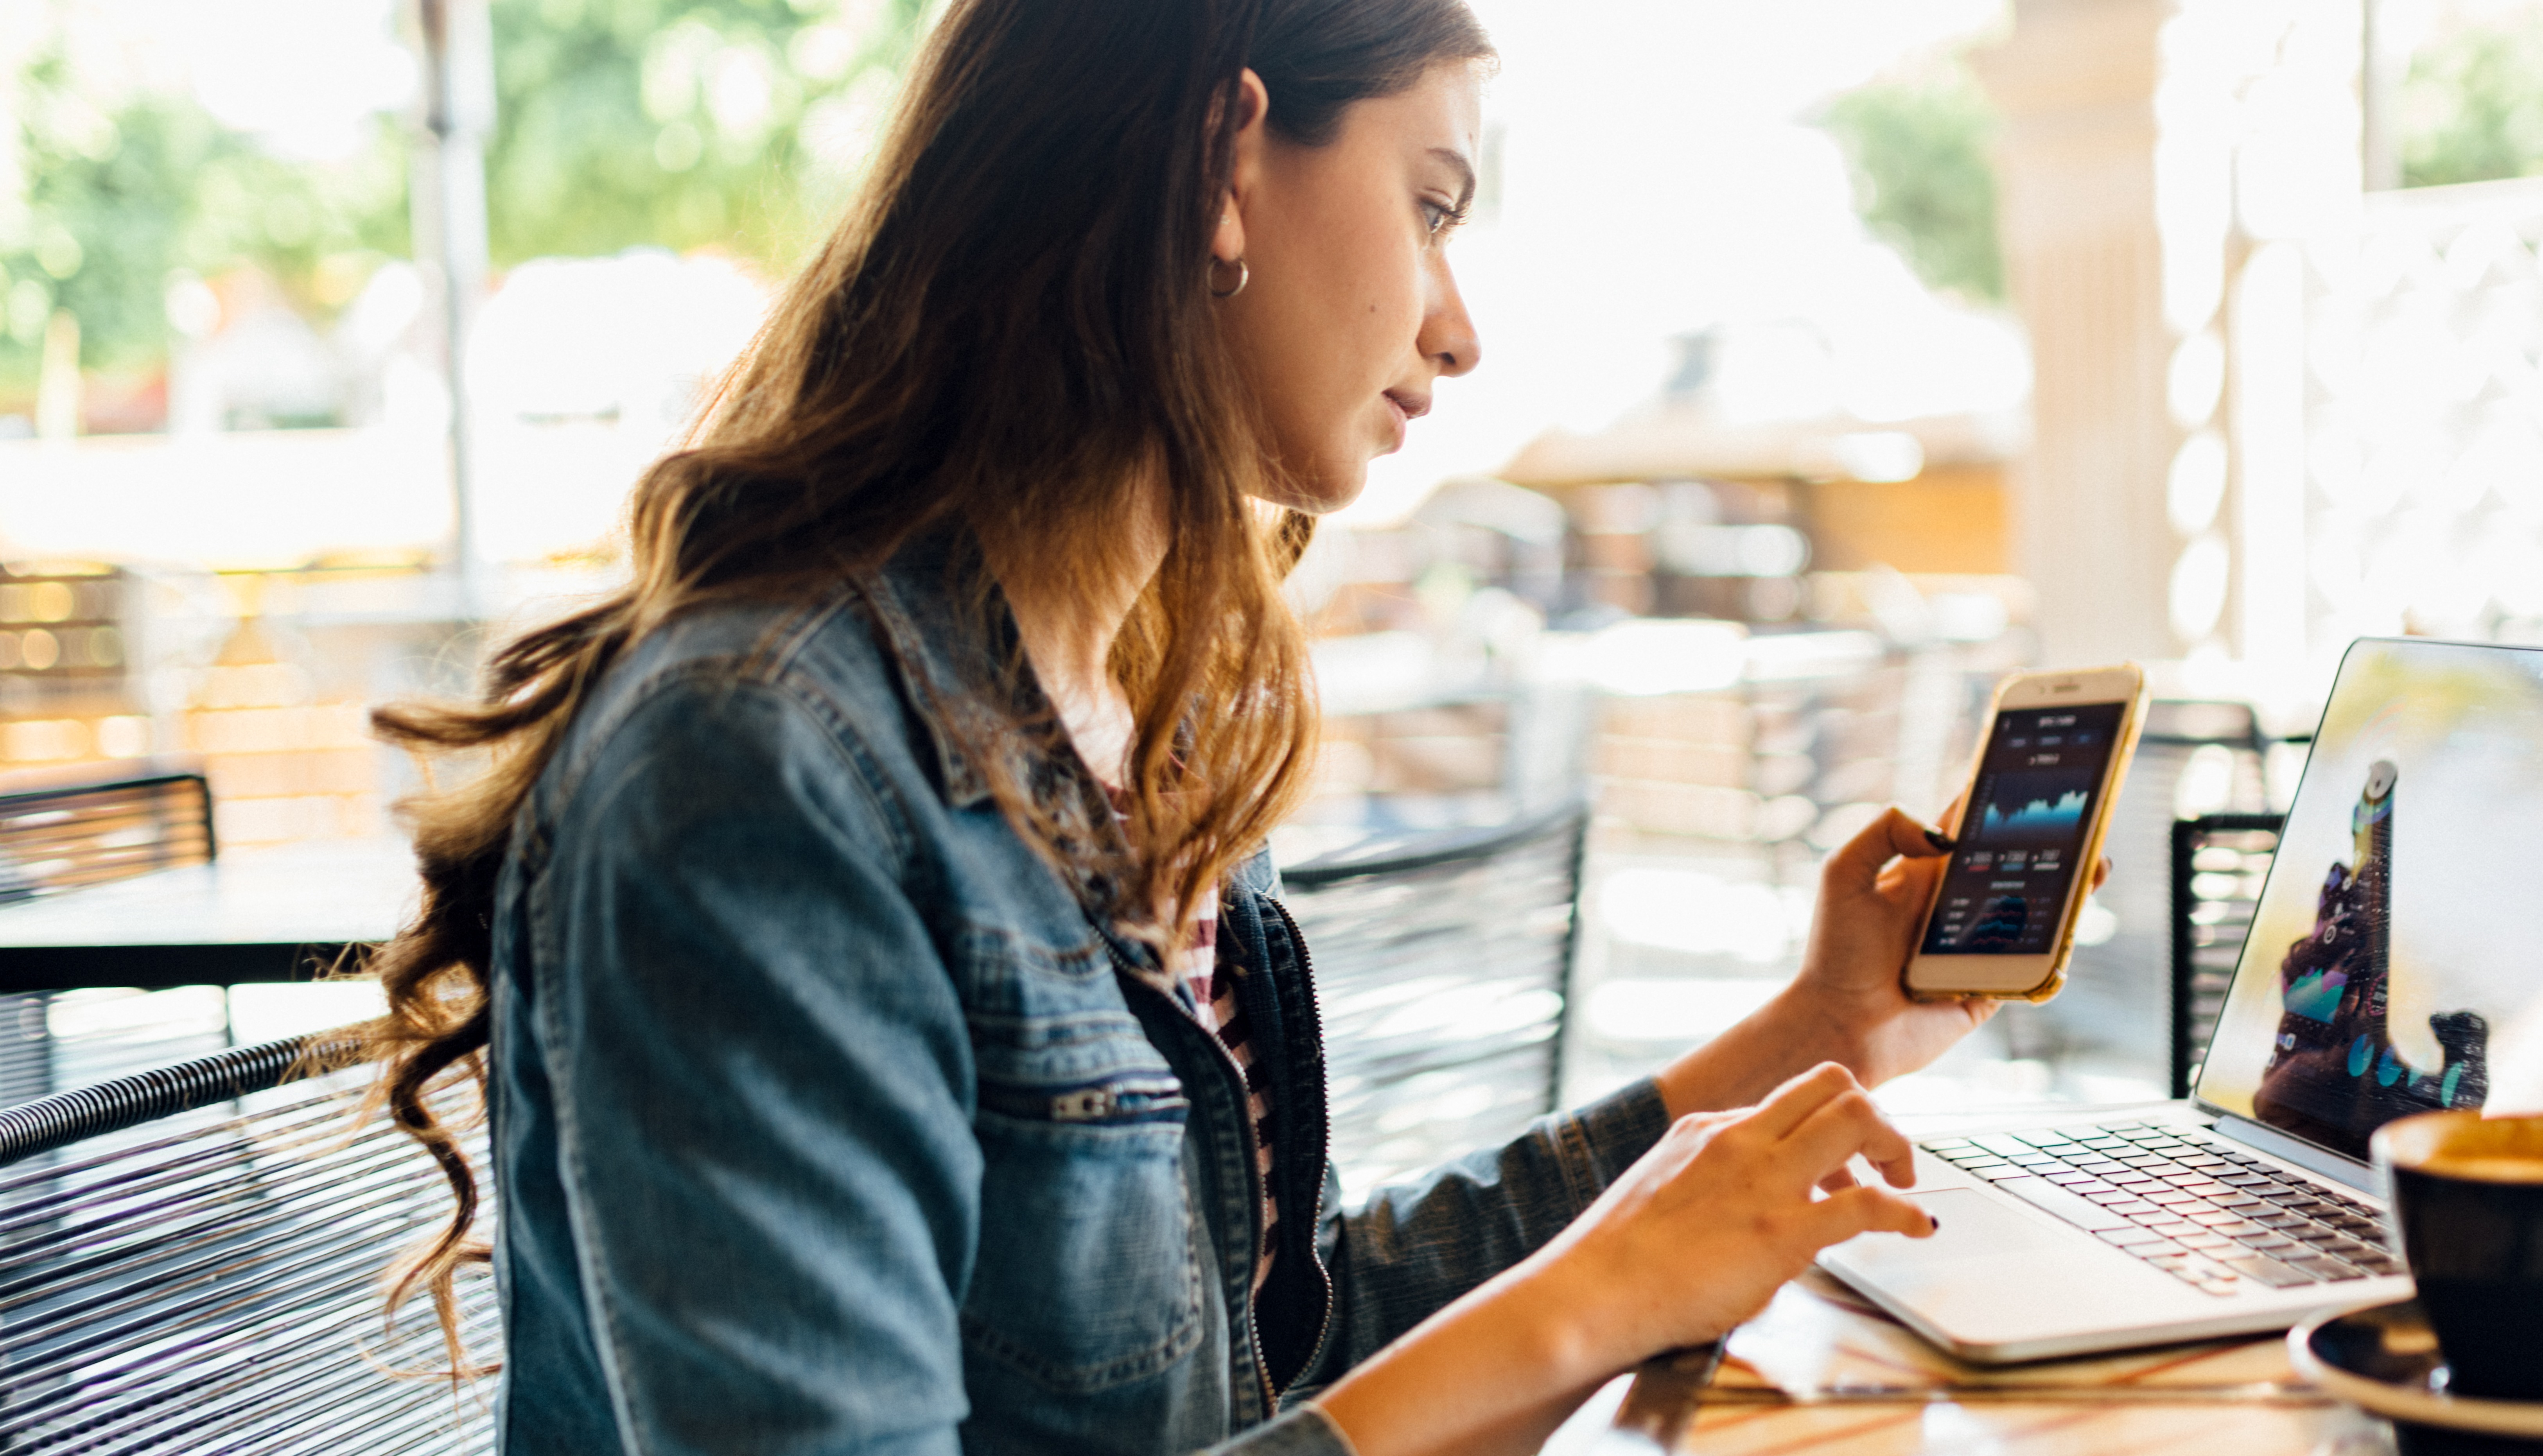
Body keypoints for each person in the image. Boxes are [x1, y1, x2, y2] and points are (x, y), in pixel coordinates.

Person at [361, 3, 2028, 1453]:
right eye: (1429, 207)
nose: (1458, 327)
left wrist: (1823, 1025)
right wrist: (1592, 1304)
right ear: (1230, 158)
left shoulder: (1148, 715)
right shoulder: (755, 771)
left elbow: (1276, 1347)